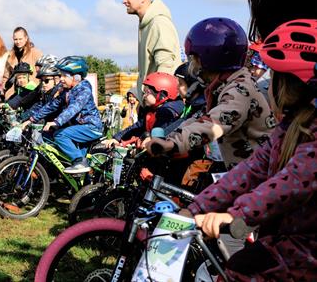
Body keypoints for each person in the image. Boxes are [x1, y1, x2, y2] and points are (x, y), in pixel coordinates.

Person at [189, 19, 317, 281]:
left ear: (288, 83)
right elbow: (250, 170)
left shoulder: (313, 133)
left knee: (242, 269)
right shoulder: (287, 129)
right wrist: (196, 207)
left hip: (307, 248)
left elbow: (292, 181)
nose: (267, 85)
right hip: (286, 241)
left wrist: (238, 214)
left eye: (272, 77)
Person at [147, 18, 275, 170]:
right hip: (243, 171)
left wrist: (174, 143)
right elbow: (200, 118)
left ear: (210, 58)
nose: (192, 66)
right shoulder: (222, 87)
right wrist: (170, 138)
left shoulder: (240, 90)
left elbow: (214, 122)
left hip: (259, 176)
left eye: (194, 59)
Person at [22, 56, 103, 174]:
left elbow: (73, 108)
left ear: (76, 77)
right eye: (61, 76)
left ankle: (79, 161)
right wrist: (31, 119)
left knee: (60, 135)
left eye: (65, 76)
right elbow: (51, 106)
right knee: (46, 136)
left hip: (91, 127)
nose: (61, 79)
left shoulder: (84, 90)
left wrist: (56, 121)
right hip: (79, 127)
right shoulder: (66, 91)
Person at [121, 0, 181, 100]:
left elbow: (166, 64)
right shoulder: (146, 24)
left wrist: (156, 97)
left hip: (161, 102)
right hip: (151, 102)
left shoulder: (159, 23)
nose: (124, 1)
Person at [103, 72, 183, 148]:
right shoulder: (152, 110)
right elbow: (138, 127)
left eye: (147, 92)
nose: (144, 96)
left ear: (161, 94)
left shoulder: (168, 113)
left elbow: (159, 137)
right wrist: (117, 138)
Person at [3, 27, 43, 100]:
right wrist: (4, 90)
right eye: (16, 39)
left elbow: (43, 72)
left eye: (20, 39)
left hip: (31, 91)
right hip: (14, 92)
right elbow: (6, 76)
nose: (18, 42)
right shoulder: (10, 55)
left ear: (26, 38)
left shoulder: (35, 53)